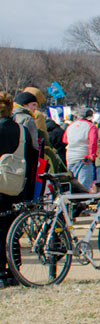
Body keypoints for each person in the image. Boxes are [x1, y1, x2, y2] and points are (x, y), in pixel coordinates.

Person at [0, 92, 39, 284]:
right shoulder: (21, 129)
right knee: (12, 230)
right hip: (16, 184)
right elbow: (32, 156)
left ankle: (0, 273)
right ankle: (14, 270)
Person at [63, 109, 98, 190]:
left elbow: (65, 140)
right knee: (84, 187)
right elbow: (93, 142)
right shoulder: (91, 126)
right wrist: (92, 156)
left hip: (70, 157)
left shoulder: (70, 126)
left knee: (72, 184)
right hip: (84, 158)